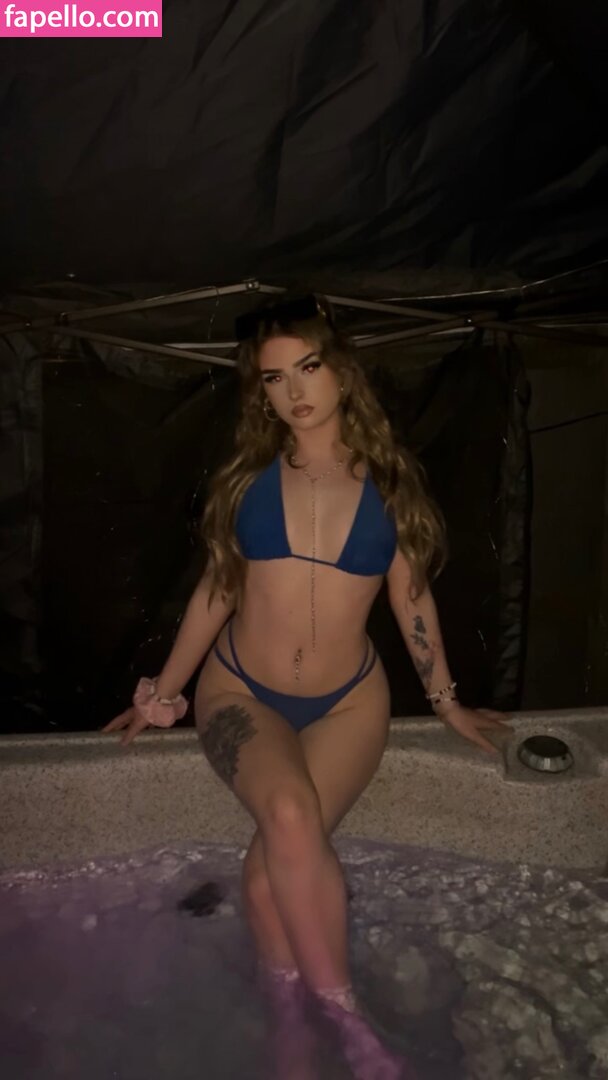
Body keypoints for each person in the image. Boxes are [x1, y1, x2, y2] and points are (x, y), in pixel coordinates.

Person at [103, 293, 511, 1079]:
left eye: (309, 367)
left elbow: (412, 599)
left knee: (270, 871)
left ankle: (288, 1020)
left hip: (349, 700)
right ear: (260, 391)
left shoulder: (389, 482)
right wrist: (162, 694)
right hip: (241, 690)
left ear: (342, 371)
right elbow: (215, 592)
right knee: (290, 815)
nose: (294, 390)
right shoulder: (248, 478)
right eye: (274, 377)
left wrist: (447, 702)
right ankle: (349, 1026)